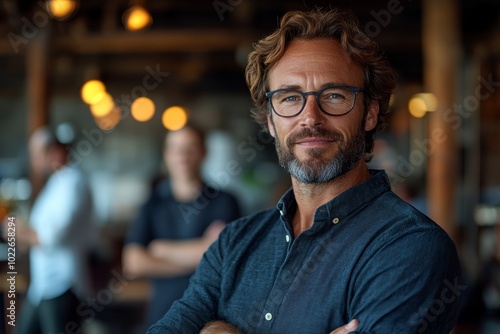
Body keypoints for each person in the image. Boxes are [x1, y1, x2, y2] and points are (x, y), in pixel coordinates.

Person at [147, 9, 461, 334]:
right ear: (270, 120)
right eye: (289, 97)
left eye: (335, 96)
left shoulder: (410, 248)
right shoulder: (233, 245)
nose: (310, 117)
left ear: (369, 113)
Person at [122, 124, 241, 328]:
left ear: (204, 152)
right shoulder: (152, 203)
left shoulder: (225, 201)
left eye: (190, 148)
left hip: (213, 320)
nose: (182, 155)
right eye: (175, 148)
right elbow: (133, 262)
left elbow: (225, 256)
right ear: (166, 154)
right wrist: (200, 257)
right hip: (162, 314)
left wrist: (161, 249)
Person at [16, 127, 95, 334]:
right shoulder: (55, 183)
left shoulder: (72, 182)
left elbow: (51, 237)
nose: (33, 161)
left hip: (62, 285)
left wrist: (18, 231)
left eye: (37, 154)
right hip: (43, 285)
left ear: (55, 151)